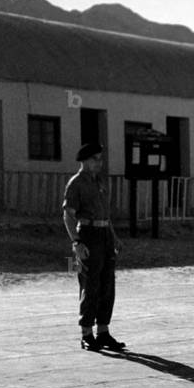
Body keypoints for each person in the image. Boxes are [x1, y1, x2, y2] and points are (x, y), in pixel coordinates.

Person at [62, 142, 125, 352]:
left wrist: (114, 237)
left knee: (108, 284)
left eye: (100, 159)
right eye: (95, 159)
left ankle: (103, 331)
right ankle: (87, 333)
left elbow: (105, 215)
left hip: (105, 234)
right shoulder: (76, 183)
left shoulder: (99, 182)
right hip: (88, 235)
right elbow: (68, 215)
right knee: (90, 285)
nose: (100, 163)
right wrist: (77, 242)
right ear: (85, 161)